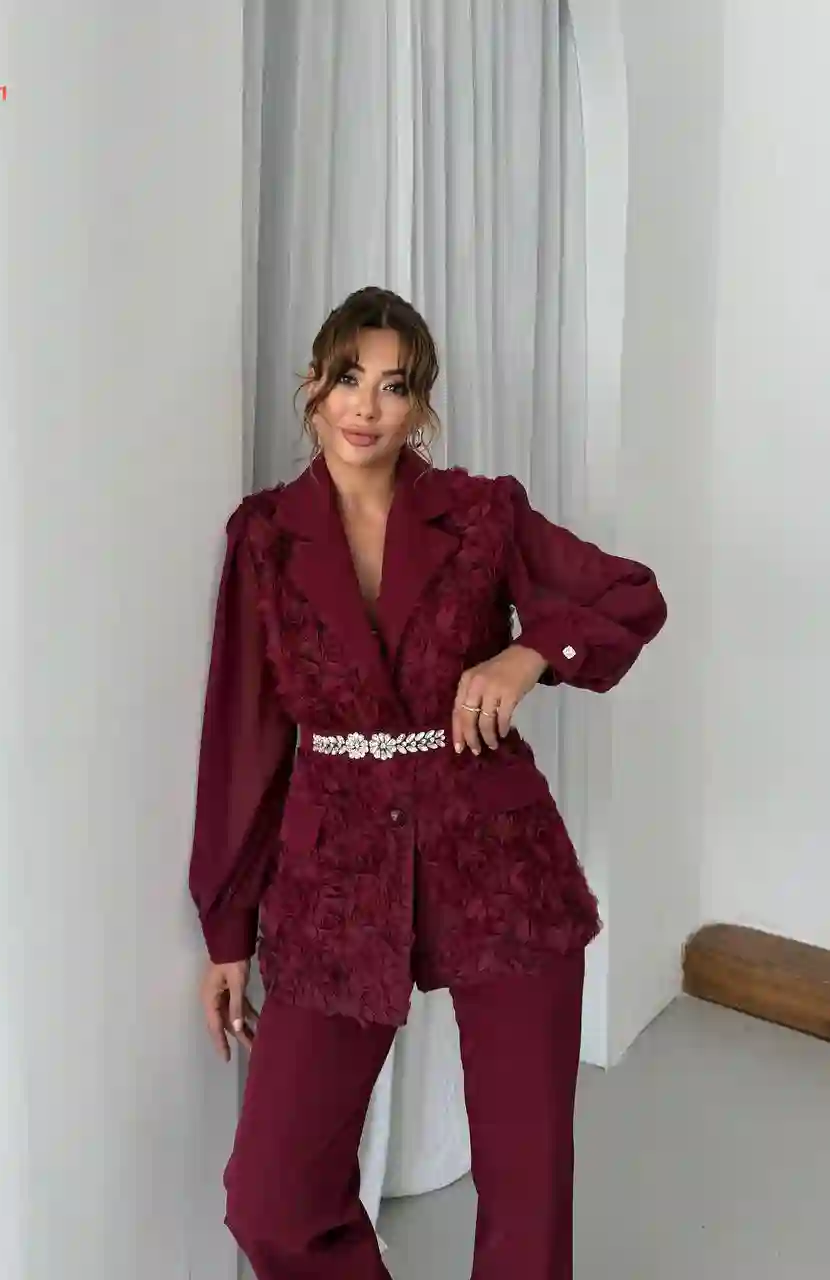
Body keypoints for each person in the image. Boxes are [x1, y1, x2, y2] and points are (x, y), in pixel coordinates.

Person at [188, 286, 667, 1279]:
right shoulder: (265, 539)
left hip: (500, 860)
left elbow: (629, 594)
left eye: (395, 385)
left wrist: (529, 654)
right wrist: (227, 927)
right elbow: (243, 737)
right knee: (272, 1196)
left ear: (421, 407)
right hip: (335, 878)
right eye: (347, 377)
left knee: (528, 1194)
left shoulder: (483, 513)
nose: (366, 406)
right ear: (313, 386)